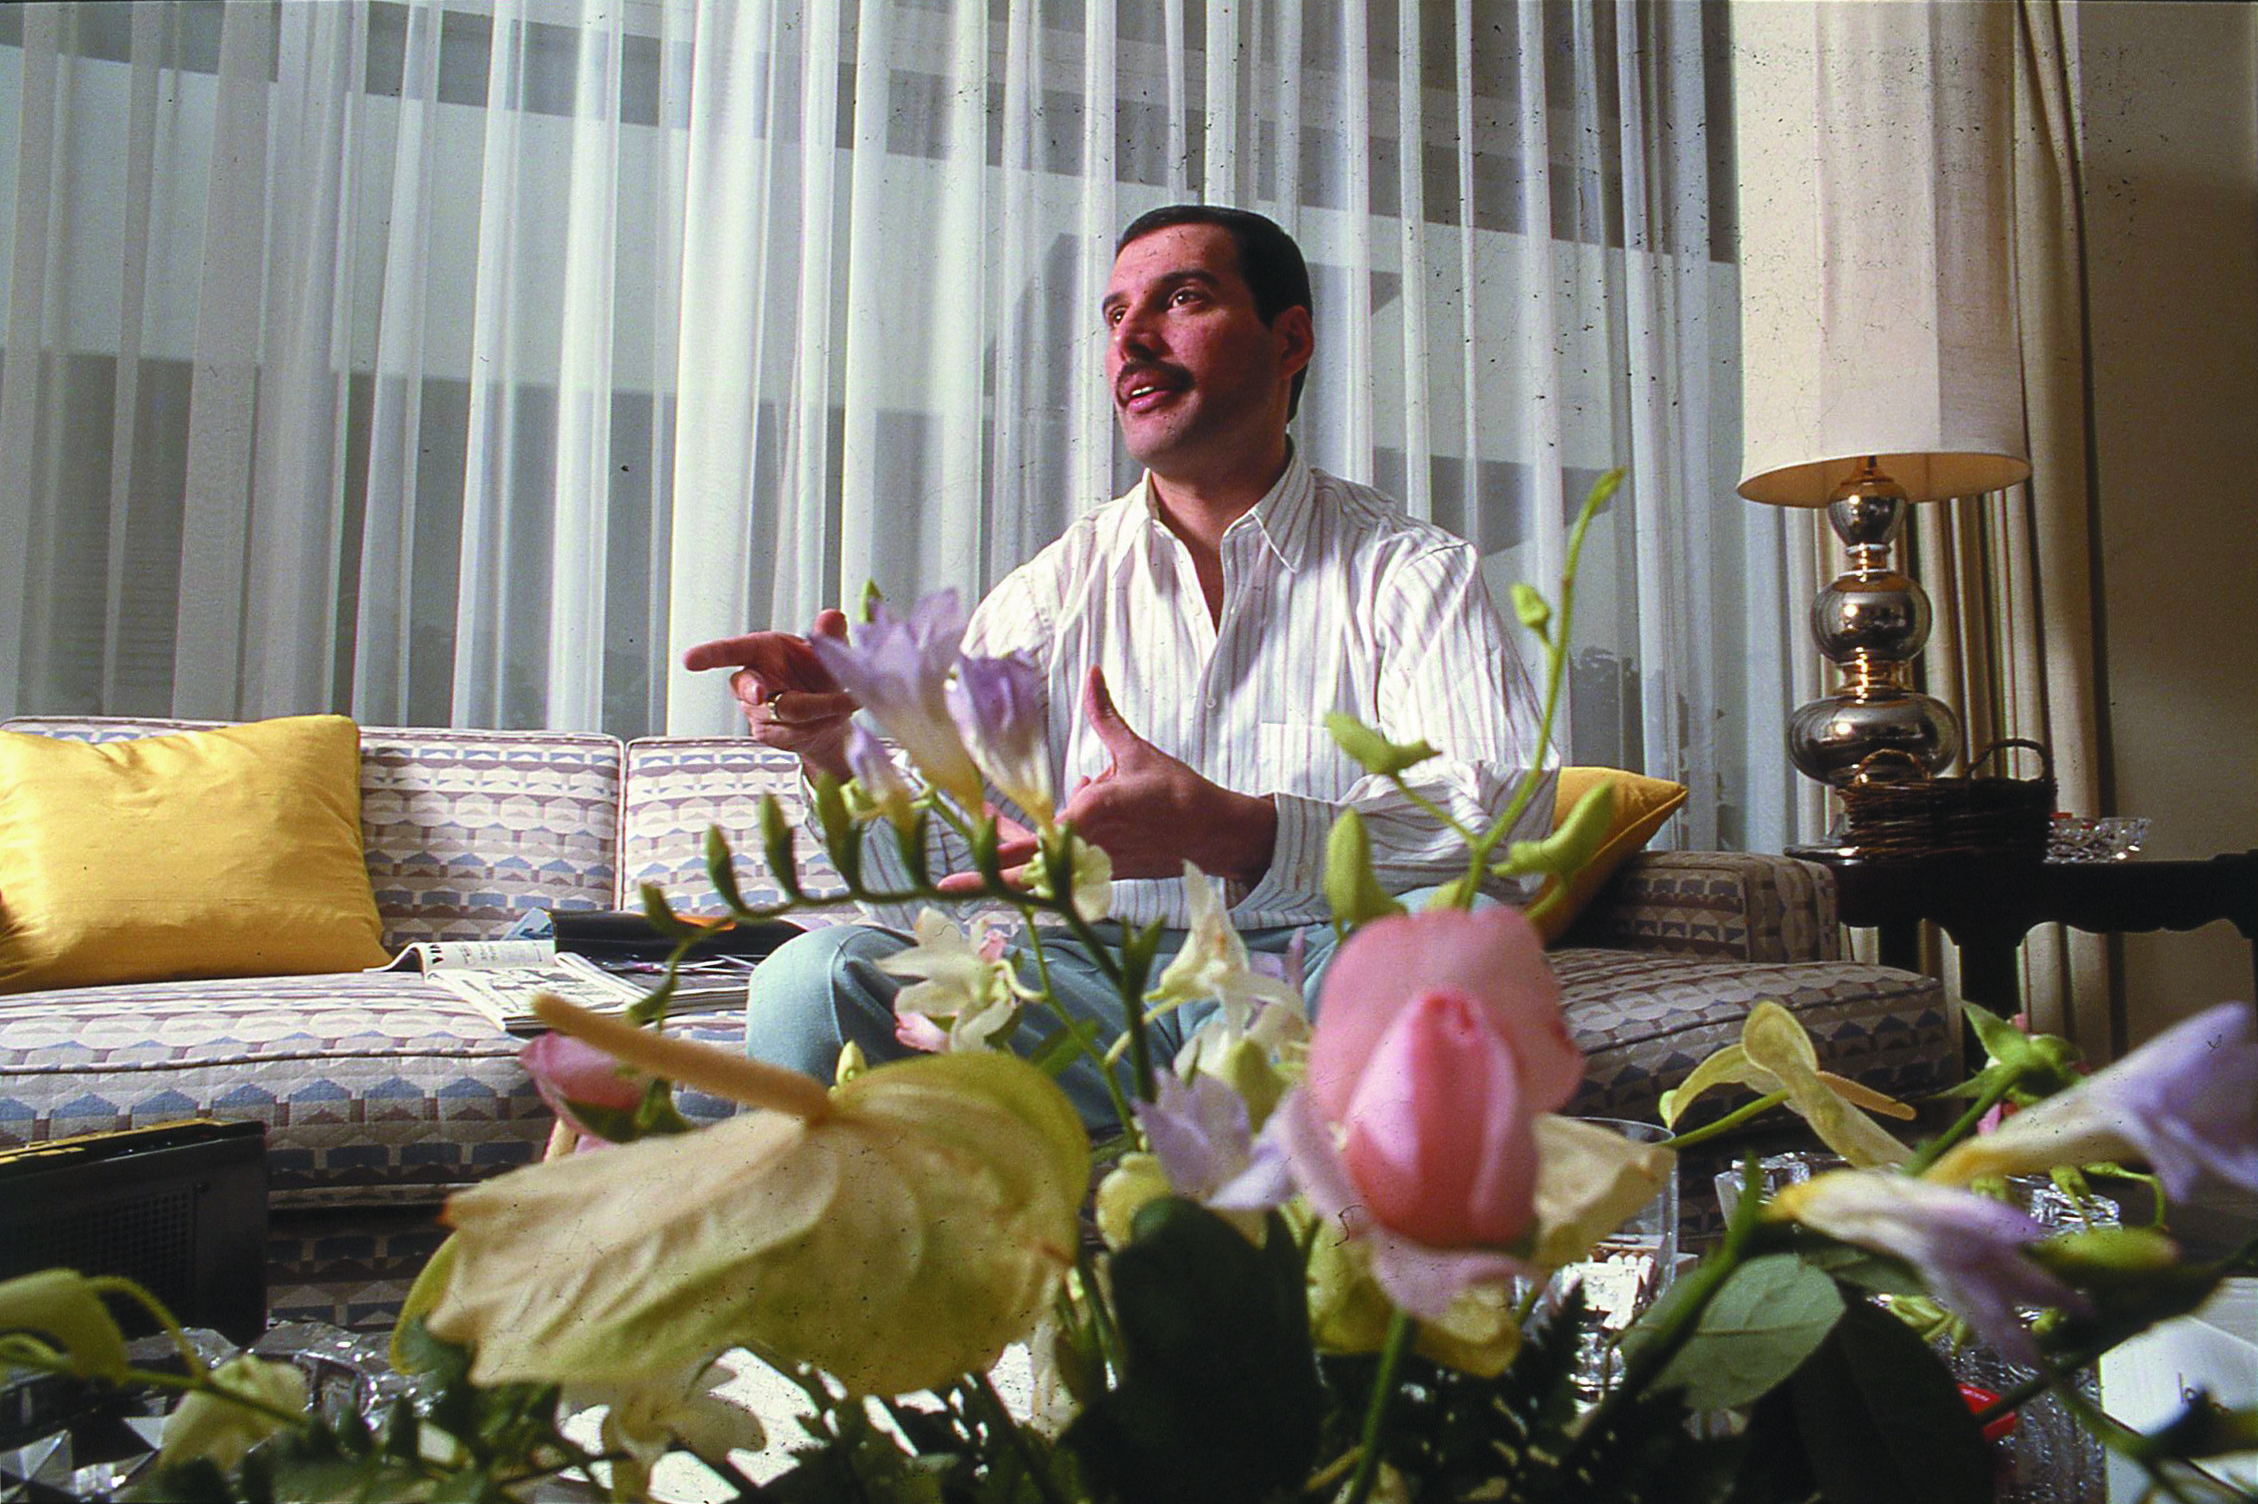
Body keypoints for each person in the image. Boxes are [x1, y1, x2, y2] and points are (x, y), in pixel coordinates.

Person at [684, 205, 1551, 1127]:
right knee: (809, 980)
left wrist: (1238, 833)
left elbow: (1508, 813)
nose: (1132, 340)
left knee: (1467, 951)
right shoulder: (1054, 588)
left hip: (1319, 984)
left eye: (1181, 299)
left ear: (1289, 337)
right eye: (1113, 316)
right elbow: (943, 862)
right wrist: (833, 748)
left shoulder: (1408, 571)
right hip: (1085, 990)